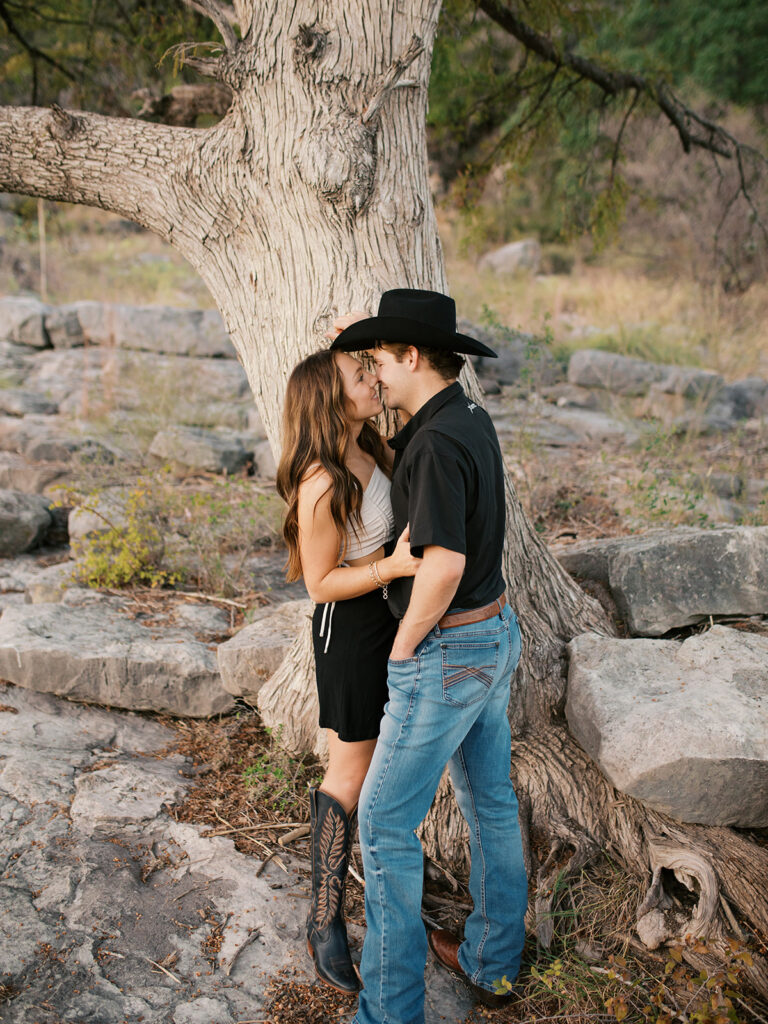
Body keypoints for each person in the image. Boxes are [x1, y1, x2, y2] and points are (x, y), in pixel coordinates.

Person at [330, 288, 528, 1024]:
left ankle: (389, 1014)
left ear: (412, 356)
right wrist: (351, 341)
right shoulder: (463, 414)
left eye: (381, 359)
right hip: (494, 633)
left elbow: (441, 565)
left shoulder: (438, 441)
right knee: (491, 802)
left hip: (448, 652)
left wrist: (407, 648)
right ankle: (493, 964)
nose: (375, 375)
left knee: (382, 824)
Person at [276, 348, 421, 995]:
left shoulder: (371, 445)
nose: (371, 381)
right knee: (351, 772)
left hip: (390, 621)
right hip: (352, 633)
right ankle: (324, 919)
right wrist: (391, 568)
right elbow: (320, 582)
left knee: (390, 765)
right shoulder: (323, 482)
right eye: (359, 378)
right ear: (329, 400)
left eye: (370, 370)